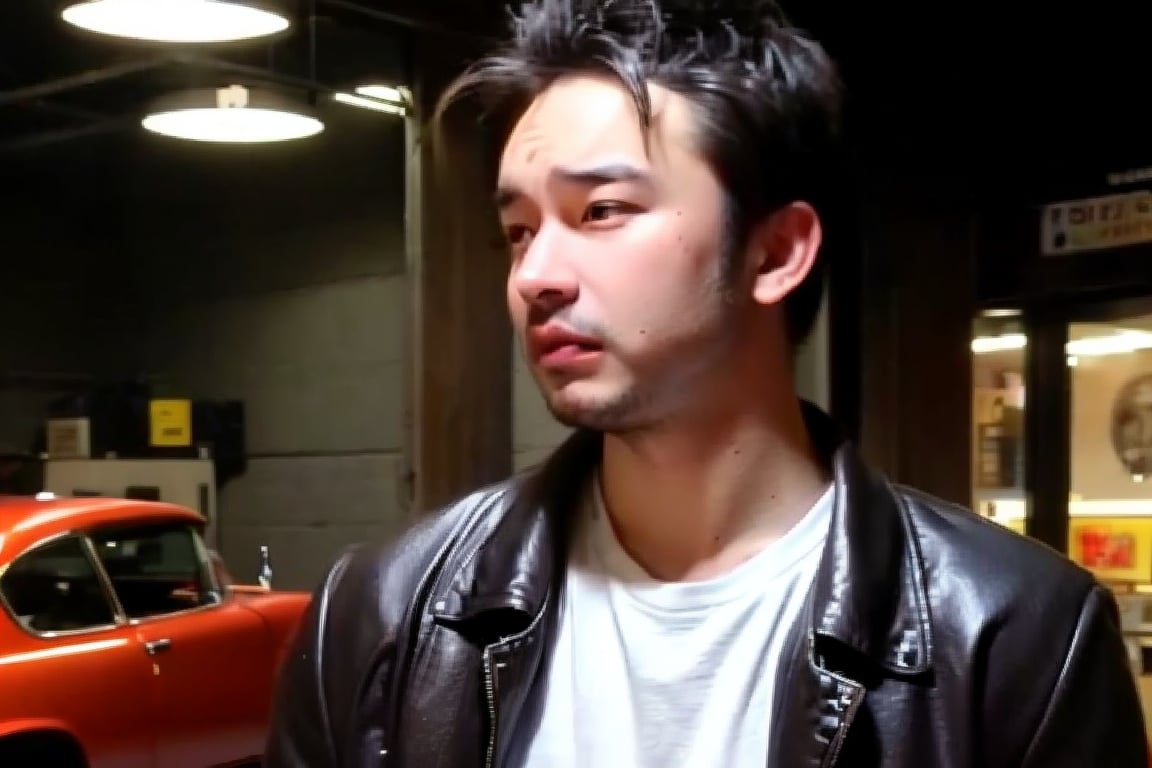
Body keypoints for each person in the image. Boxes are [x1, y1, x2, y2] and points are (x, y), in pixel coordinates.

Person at [265, 1, 1148, 765]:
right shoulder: (382, 613)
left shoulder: (1014, 633)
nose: (537, 275)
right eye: (521, 230)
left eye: (601, 211)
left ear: (774, 252)